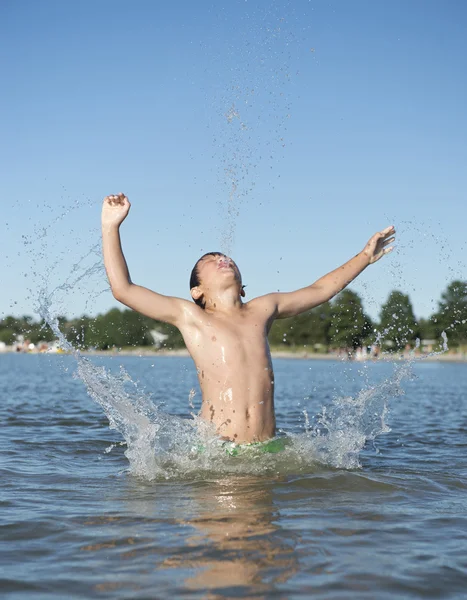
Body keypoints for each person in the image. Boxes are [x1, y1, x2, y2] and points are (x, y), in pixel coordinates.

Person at [101, 193, 395, 446]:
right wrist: (110, 226)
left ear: (243, 287)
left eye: (226, 258)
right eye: (209, 261)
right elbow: (123, 290)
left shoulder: (263, 308)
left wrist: (363, 257)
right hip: (218, 453)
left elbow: (321, 290)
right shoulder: (190, 316)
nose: (222, 259)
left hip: (268, 450)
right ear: (197, 291)